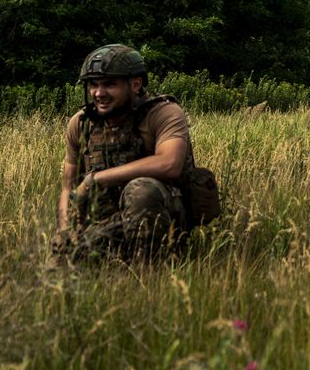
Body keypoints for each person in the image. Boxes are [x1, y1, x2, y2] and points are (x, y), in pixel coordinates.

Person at [54, 43, 215, 262]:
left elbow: (170, 163)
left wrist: (96, 179)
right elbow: (68, 188)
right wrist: (65, 230)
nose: (99, 93)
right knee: (67, 258)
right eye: (93, 85)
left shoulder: (163, 113)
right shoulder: (81, 124)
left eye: (109, 85)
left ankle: (148, 271)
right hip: (106, 221)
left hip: (164, 219)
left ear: (136, 84)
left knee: (141, 190)